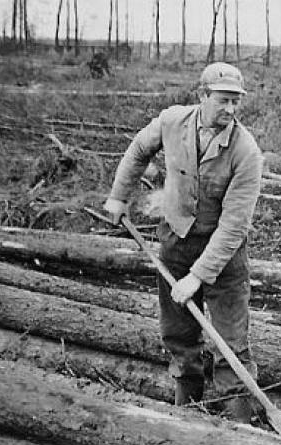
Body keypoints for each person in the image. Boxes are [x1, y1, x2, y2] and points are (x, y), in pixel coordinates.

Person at [103, 62, 264, 421]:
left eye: (236, 102)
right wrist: (118, 196)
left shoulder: (245, 152)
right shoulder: (172, 121)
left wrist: (198, 276)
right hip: (175, 242)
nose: (231, 110)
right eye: (223, 100)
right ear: (203, 96)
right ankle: (187, 407)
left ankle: (239, 416)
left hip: (224, 255)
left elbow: (235, 224)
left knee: (231, 339)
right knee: (178, 332)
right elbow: (138, 150)